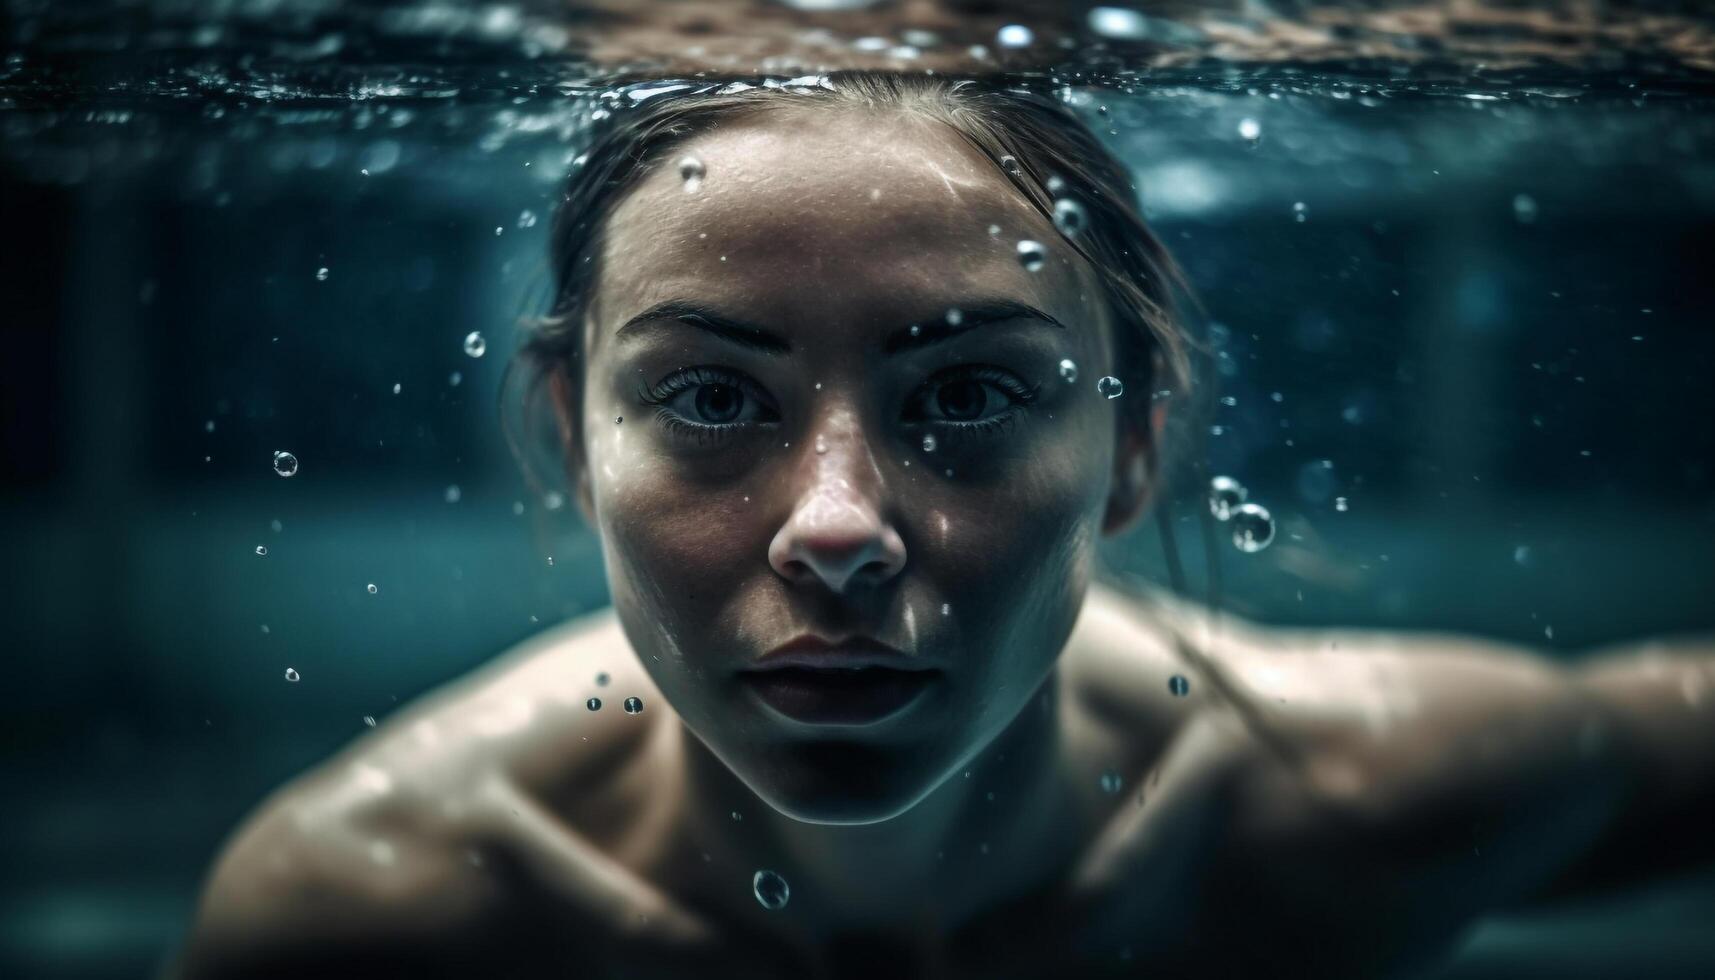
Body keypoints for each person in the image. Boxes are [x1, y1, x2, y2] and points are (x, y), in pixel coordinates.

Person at [171, 71, 1714, 979]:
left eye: (969, 394)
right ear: (573, 440)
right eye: (711, 400)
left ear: (1131, 450)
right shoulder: (369, 914)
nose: (837, 533)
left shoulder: (1353, 797)